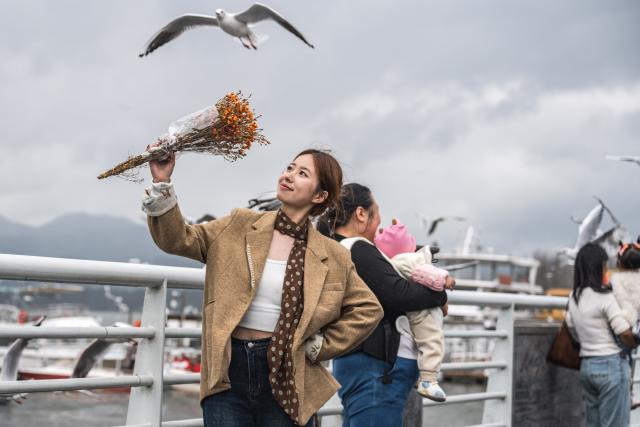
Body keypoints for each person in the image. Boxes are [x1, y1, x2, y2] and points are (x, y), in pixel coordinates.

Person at [142, 148, 383, 427]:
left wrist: (321, 346)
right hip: (228, 370)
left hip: (288, 373)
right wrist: (162, 183)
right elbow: (178, 239)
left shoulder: (332, 255)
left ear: (319, 196)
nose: (289, 175)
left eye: (302, 173)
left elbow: (368, 308)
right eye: (290, 167)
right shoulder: (239, 224)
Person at [317, 183, 450, 426]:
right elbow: (399, 294)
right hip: (376, 368)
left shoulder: (334, 248)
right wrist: (440, 296)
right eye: (377, 213)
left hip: (359, 362)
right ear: (361, 213)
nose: (380, 222)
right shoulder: (356, 249)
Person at [374, 219, 454, 402]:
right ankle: (428, 380)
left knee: (424, 344)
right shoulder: (409, 259)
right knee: (433, 342)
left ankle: (424, 378)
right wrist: (446, 279)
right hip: (422, 315)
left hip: (416, 313)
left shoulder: (394, 261)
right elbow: (426, 274)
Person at [566, 243, 638, 427]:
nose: (607, 268)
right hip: (611, 367)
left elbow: (570, 324)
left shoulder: (573, 297)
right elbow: (624, 333)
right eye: (605, 264)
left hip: (588, 367)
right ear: (598, 266)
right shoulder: (605, 297)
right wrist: (635, 340)